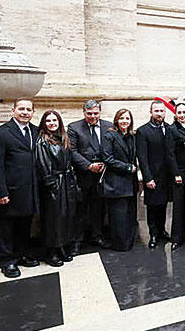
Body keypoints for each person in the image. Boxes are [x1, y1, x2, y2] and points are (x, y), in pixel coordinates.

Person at [0, 98, 40, 278]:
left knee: (25, 224)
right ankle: (7, 260)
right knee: (6, 226)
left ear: (33, 112)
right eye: (21, 109)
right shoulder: (0, 134)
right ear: (13, 110)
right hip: (9, 190)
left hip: (30, 189)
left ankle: (22, 254)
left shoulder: (36, 131)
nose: (25, 112)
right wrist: (0, 191)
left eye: (28, 109)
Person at [67, 99, 113, 255]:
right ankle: (77, 241)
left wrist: (107, 163)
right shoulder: (74, 128)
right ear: (84, 113)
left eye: (96, 113)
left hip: (103, 175)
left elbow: (112, 147)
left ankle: (97, 236)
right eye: (89, 113)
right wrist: (88, 165)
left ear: (100, 112)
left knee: (99, 208)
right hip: (83, 175)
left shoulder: (108, 126)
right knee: (80, 209)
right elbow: (72, 151)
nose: (93, 116)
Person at [35, 110, 79, 267]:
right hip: (54, 185)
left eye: (55, 120)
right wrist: (51, 186)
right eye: (48, 121)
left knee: (65, 218)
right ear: (44, 123)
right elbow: (43, 164)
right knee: (52, 220)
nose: (52, 123)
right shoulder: (42, 141)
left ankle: (61, 247)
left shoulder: (63, 138)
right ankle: (51, 252)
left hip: (66, 183)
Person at [136, 100, 172, 248]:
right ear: (151, 112)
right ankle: (153, 234)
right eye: (156, 111)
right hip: (152, 175)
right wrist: (148, 177)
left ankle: (162, 229)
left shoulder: (169, 128)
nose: (159, 114)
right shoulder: (143, 131)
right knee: (152, 206)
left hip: (166, 176)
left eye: (162, 111)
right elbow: (142, 157)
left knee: (163, 204)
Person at [102, 109, 138, 251]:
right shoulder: (109, 136)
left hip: (131, 182)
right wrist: (127, 167)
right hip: (116, 182)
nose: (125, 121)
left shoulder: (132, 136)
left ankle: (129, 242)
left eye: (127, 118)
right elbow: (108, 158)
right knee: (118, 216)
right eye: (122, 118)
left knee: (130, 214)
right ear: (116, 120)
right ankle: (120, 244)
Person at [165, 102, 185, 251]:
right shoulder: (172, 130)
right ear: (175, 114)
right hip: (180, 172)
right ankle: (176, 238)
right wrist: (176, 173)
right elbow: (170, 155)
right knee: (178, 205)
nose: (182, 115)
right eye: (180, 113)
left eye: (184, 112)